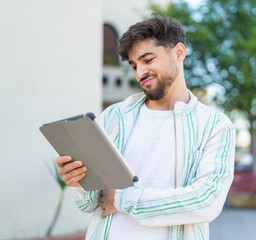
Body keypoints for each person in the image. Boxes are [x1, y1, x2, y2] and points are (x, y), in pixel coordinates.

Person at [56, 15, 235, 240]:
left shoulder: (215, 126)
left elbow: (205, 201)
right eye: (134, 65)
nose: (140, 73)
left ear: (179, 52)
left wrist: (122, 200)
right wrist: (79, 180)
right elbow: (90, 204)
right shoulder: (115, 116)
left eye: (148, 60)